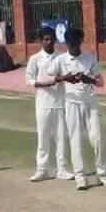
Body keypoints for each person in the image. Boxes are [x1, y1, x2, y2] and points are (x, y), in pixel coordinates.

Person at [50, 28, 106, 191]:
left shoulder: (90, 59)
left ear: (81, 42)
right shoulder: (60, 60)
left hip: (90, 102)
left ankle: (103, 175)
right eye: (71, 44)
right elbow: (49, 78)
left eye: (77, 44)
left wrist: (89, 79)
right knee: (76, 139)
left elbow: (101, 83)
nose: (74, 48)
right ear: (66, 44)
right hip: (71, 103)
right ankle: (80, 177)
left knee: (98, 138)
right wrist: (65, 78)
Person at [26, 26, 73, 182]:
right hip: (43, 103)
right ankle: (42, 169)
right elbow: (30, 80)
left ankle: (62, 169)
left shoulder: (61, 57)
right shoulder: (35, 59)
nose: (49, 42)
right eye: (45, 39)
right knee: (43, 138)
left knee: (61, 138)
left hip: (60, 103)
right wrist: (44, 83)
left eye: (51, 39)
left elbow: (67, 78)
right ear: (41, 41)